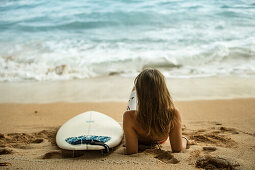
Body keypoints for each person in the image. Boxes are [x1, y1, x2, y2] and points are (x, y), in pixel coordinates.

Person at [123, 68, 189, 155]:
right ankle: (148, 87)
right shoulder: (173, 114)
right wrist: (184, 139)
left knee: (130, 109)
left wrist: (127, 141)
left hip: (139, 139)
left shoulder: (129, 116)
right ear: (164, 90)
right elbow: (177, 149)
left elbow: (131, 152)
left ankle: (137, 88)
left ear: (139, 94)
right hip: (160, 140)